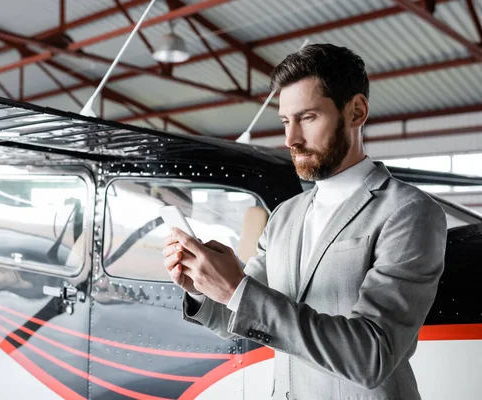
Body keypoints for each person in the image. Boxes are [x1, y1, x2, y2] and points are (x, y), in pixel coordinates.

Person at [162, 44, 447, 400]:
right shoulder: (285, 216)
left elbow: (372, 356)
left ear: (356, 112)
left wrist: (237, 289)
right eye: (285, 121)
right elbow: (244, 315)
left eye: (308, 118)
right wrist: (201, 286)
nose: (290, 139)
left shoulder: (409, 212)